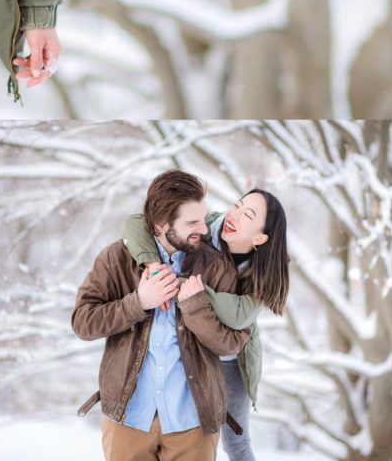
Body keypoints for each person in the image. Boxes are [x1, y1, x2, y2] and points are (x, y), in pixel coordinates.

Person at [71, 170, 251, 461]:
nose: (203, 230)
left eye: (202, 219)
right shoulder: (116, 259)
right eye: (191, 223)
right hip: (128, 418)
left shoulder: (217, 267)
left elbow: (233, 343)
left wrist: (195, 308)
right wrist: (139, 302)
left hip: (193, 423)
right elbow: (82, 322)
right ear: (160, 225)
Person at [121, 189, 289, 461]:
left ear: (260, 238)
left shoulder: (267, 271)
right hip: (189, 345)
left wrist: (190, 287)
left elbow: (237, 316)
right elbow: (135, 222)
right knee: (177, 427)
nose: (234, 215)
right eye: (238, 205)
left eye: (248, 215)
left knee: (236, 439)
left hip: (230, 357)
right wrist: (152, 264)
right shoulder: (207, 226)